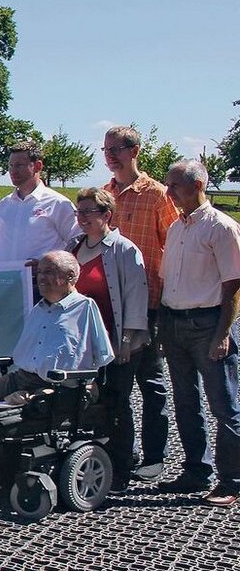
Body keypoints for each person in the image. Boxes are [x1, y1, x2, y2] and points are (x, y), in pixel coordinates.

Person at [156, 160, 240, 506]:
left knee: (224, 404)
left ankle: (232, 480)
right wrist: (164, 326)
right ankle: (195, 470)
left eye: (174, 185)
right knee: (186, 402)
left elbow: (233, 285)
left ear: (197, 186)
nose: (168, 191)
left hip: (207, 323)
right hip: (175, 322)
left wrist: (223, 333)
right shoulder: (177, 228)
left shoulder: (220, 228)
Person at [101, 125, 180, 484]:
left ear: (135, 151)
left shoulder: (157, 195)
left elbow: (175, 245)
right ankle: (123, 452)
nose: (110, 155)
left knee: (150, 382)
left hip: (148, 303)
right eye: (106, 149)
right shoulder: (105, 195)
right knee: (115, 384)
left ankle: (155, 456)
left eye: (117, 148)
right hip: (110, 305)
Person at [0, 251, 114, 408]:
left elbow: (102, 357)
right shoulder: (39, 309)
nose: (41, 278)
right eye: (39, 272)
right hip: (23, 378)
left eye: (48, 272)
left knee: (35, 401)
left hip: (62, 386)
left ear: (69, 276)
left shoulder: (84, 307)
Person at [67, 188, 150, 488]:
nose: (82, 218)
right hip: (84, 344)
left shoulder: (124, 250)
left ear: (106, 215)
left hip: (117, 342)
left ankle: (122, 465)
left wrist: (126, 340)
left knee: (117, 402)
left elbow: (135, 297)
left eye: (89, 212)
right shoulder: (74, 247)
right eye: (79, 212)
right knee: (88, 402)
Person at [0, 140, 77, 266]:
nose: (13, 171)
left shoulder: (58, 203)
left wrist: (50, 265)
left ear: (38, 166)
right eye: (11, 165)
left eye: (19, 165)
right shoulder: (4, 204)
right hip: (6, 281)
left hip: (42, 282)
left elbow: (77, 244)